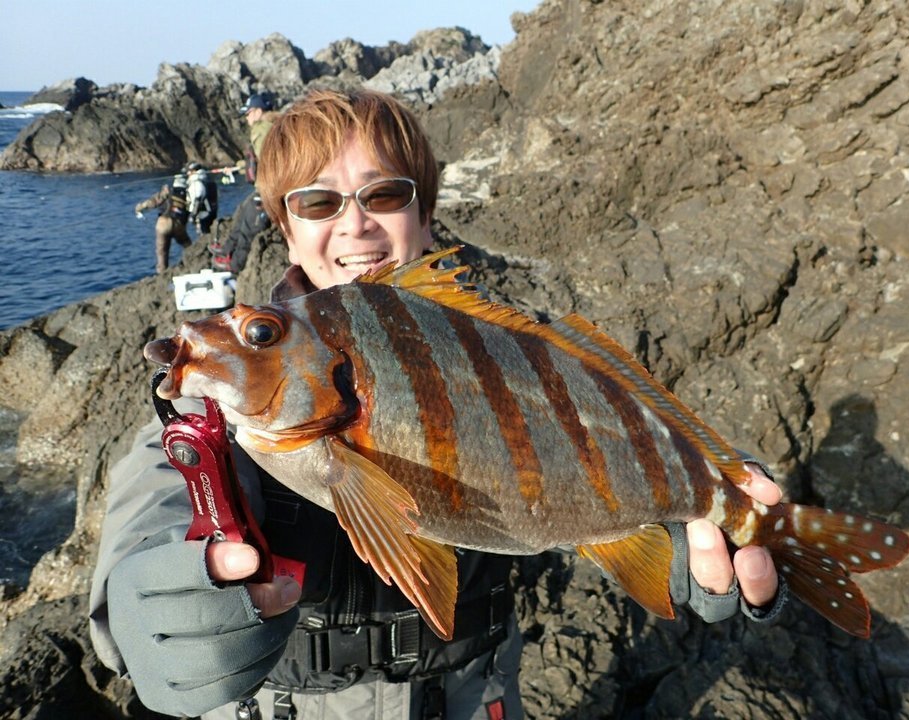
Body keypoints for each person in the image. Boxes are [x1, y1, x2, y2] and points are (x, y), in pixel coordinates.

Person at [91, 89, 787, 720]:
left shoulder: (516, 349)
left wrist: (705, 517)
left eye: (384, 195)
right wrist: (147, 599)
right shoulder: (229, 407)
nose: (356, 226)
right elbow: (165, 482)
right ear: (283, 225)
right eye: (319, 202)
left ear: (425, 211)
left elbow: (597, 451)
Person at [210, 93, 278, 274]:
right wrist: (240, 167)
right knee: (243, 209)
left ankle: (234, 265)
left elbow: (271, 161)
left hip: (269, 188)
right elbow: (258, 160)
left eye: (247, 114)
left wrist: (267, 193)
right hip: (265, 186)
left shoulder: (262, 129)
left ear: (257, 112)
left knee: (250, 222)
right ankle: (226, 249)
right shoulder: (270, 126)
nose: (246, 118)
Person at [135, 173, 192, 273]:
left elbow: (152, 202)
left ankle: (162, 274)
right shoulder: (189, 193)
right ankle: (192, 263)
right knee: (188, 245)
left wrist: (139, 208)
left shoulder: (167, 191)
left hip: (163, 223)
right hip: (178, 224)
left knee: (162, 252)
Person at [185, 161, 219, 234]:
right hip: (211, 211)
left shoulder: (196, 182)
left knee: (204, 234)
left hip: (203, 213)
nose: (187, 173)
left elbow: (198, 199)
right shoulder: (205, 178)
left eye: (189, 171)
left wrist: (193, 215)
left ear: (194, 171)